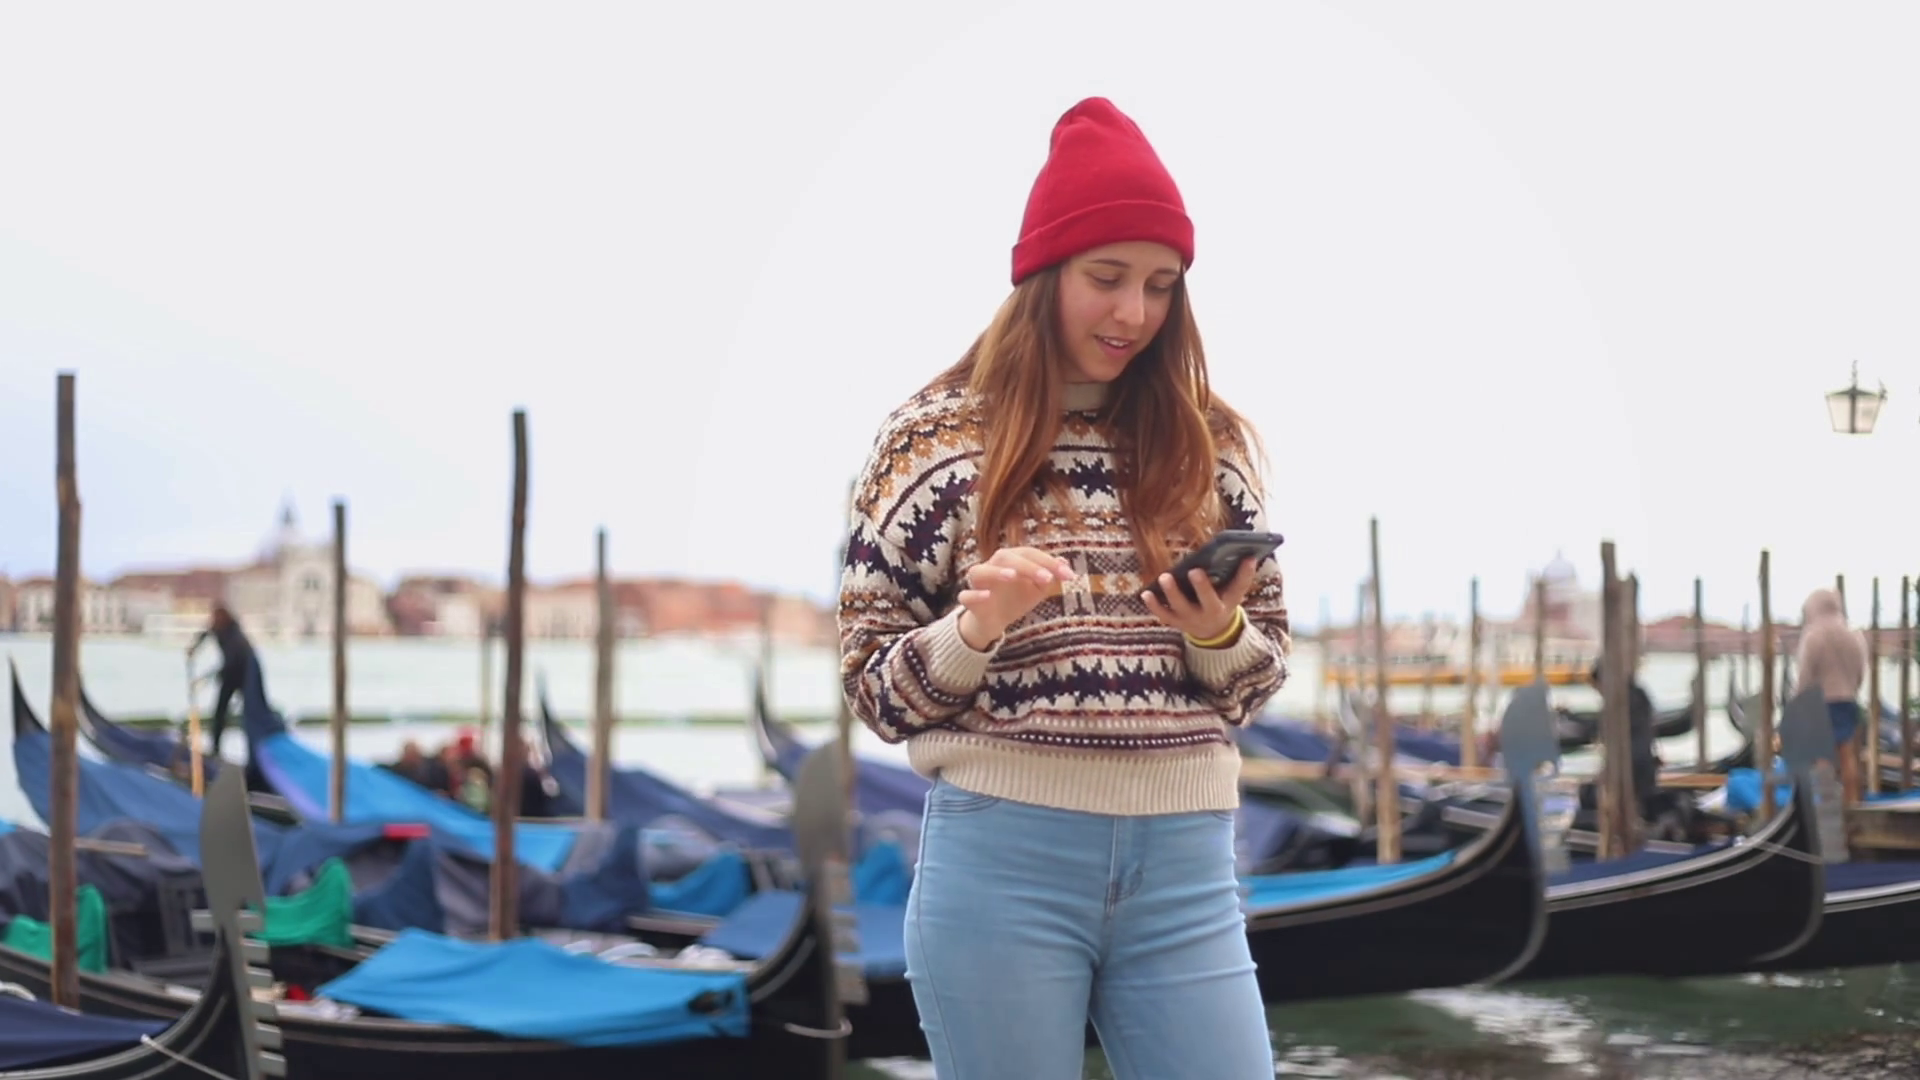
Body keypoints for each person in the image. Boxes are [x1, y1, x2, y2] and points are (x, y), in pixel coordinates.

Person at [837, 97, 1284, 1079]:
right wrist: (974, 631)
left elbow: (1257, 684)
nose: (1135, 314)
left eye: (1160, 285)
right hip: (1003, 867)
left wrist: (1217, 634)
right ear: (1043, 275)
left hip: (1188, 866)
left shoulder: (1211, 444)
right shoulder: (931, 442)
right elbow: (874, 693)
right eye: (1107, 278)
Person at [1796, 587, 1866, 805]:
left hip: (1822, 703)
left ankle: (1827, 803)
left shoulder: (1813, 635)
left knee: (1822, 757)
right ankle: (1851, 801)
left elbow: (1805, 675)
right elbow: (1860, 672)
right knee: (1847, 755)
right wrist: (1851, 690)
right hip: (1847, 700)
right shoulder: (1854, 635)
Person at [186, 604, 254, 759]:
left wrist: (207, 678)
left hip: (242, 674)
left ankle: (253, 749)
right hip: (229, 675)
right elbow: (205, 634)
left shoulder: (234, 633)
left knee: (249, 711)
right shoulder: (217, 628)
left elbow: (234, 659)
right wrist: (193, 648)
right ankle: (216, 748)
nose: (213, 620)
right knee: (220, 712)